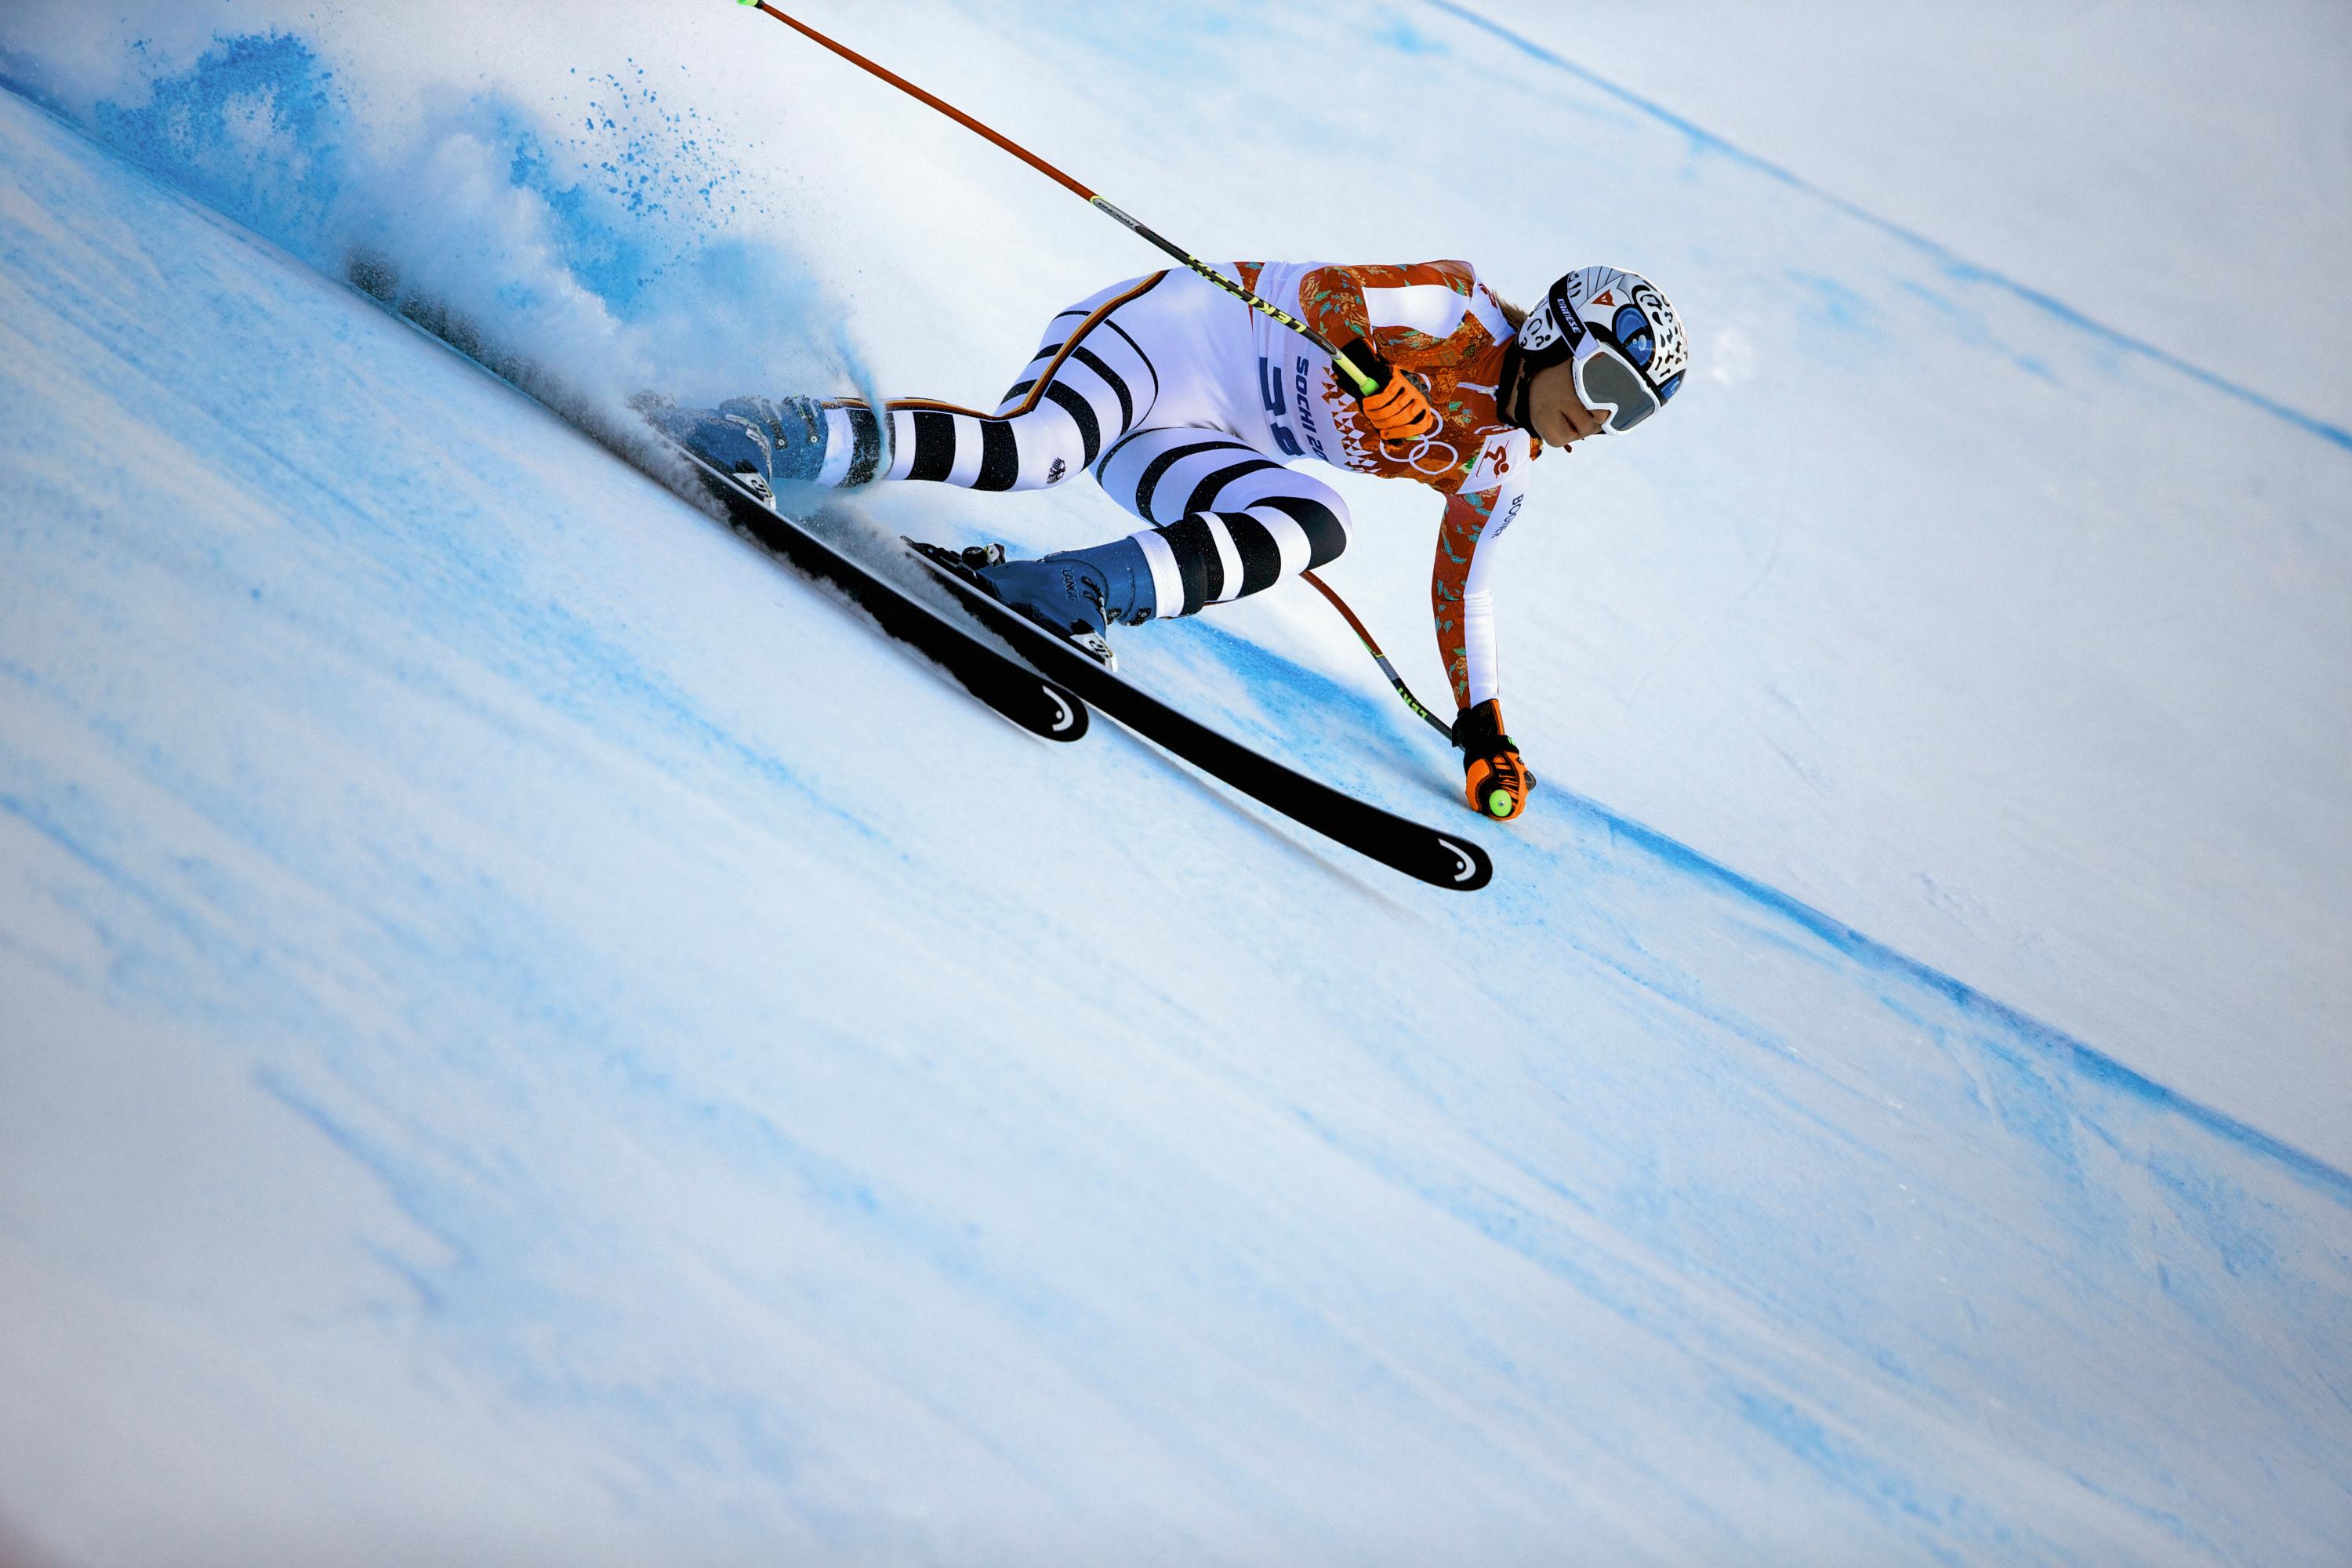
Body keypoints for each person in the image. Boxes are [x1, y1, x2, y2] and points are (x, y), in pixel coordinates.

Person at [655, 261, 1686, 821]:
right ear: (1552, 336)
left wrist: (1482, 723)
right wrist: (1376, 378)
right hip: (1164, 337)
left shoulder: (1500, 464)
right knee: (1033, 453)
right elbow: (1326, 294)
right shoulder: (1457, 311)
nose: (1599, 421)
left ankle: (1064, 592)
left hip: (1197, 435)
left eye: (1629, 415)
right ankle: (767, 430)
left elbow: (1464, 589)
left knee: (1317, 523)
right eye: (1604, 385)